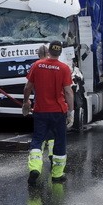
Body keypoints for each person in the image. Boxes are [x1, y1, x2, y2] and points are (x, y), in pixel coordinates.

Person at [21, 40, 75, 185]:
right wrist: (71, 112)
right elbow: (68, 92)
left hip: (40, 110)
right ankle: (57, 175)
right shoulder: (64, 68)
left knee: (38, 139)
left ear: (48, 51)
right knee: (59, 141)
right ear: (60, 52)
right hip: (58, 111)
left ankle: (35, 168)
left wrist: (26, 102)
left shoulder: (37, 66)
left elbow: (27, 87)